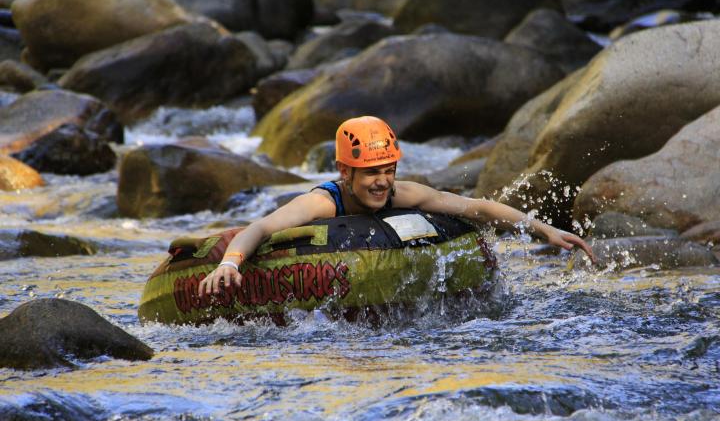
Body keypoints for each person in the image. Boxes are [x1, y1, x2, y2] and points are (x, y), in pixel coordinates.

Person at [199, 116, 595, 296]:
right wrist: (229, 262)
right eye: (370, 173)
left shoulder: (401, 193)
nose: (382, 181)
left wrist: (543, 229)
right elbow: (261, 228)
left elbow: (476, 207)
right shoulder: (322, 203)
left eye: (388, 169)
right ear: (344, 171)